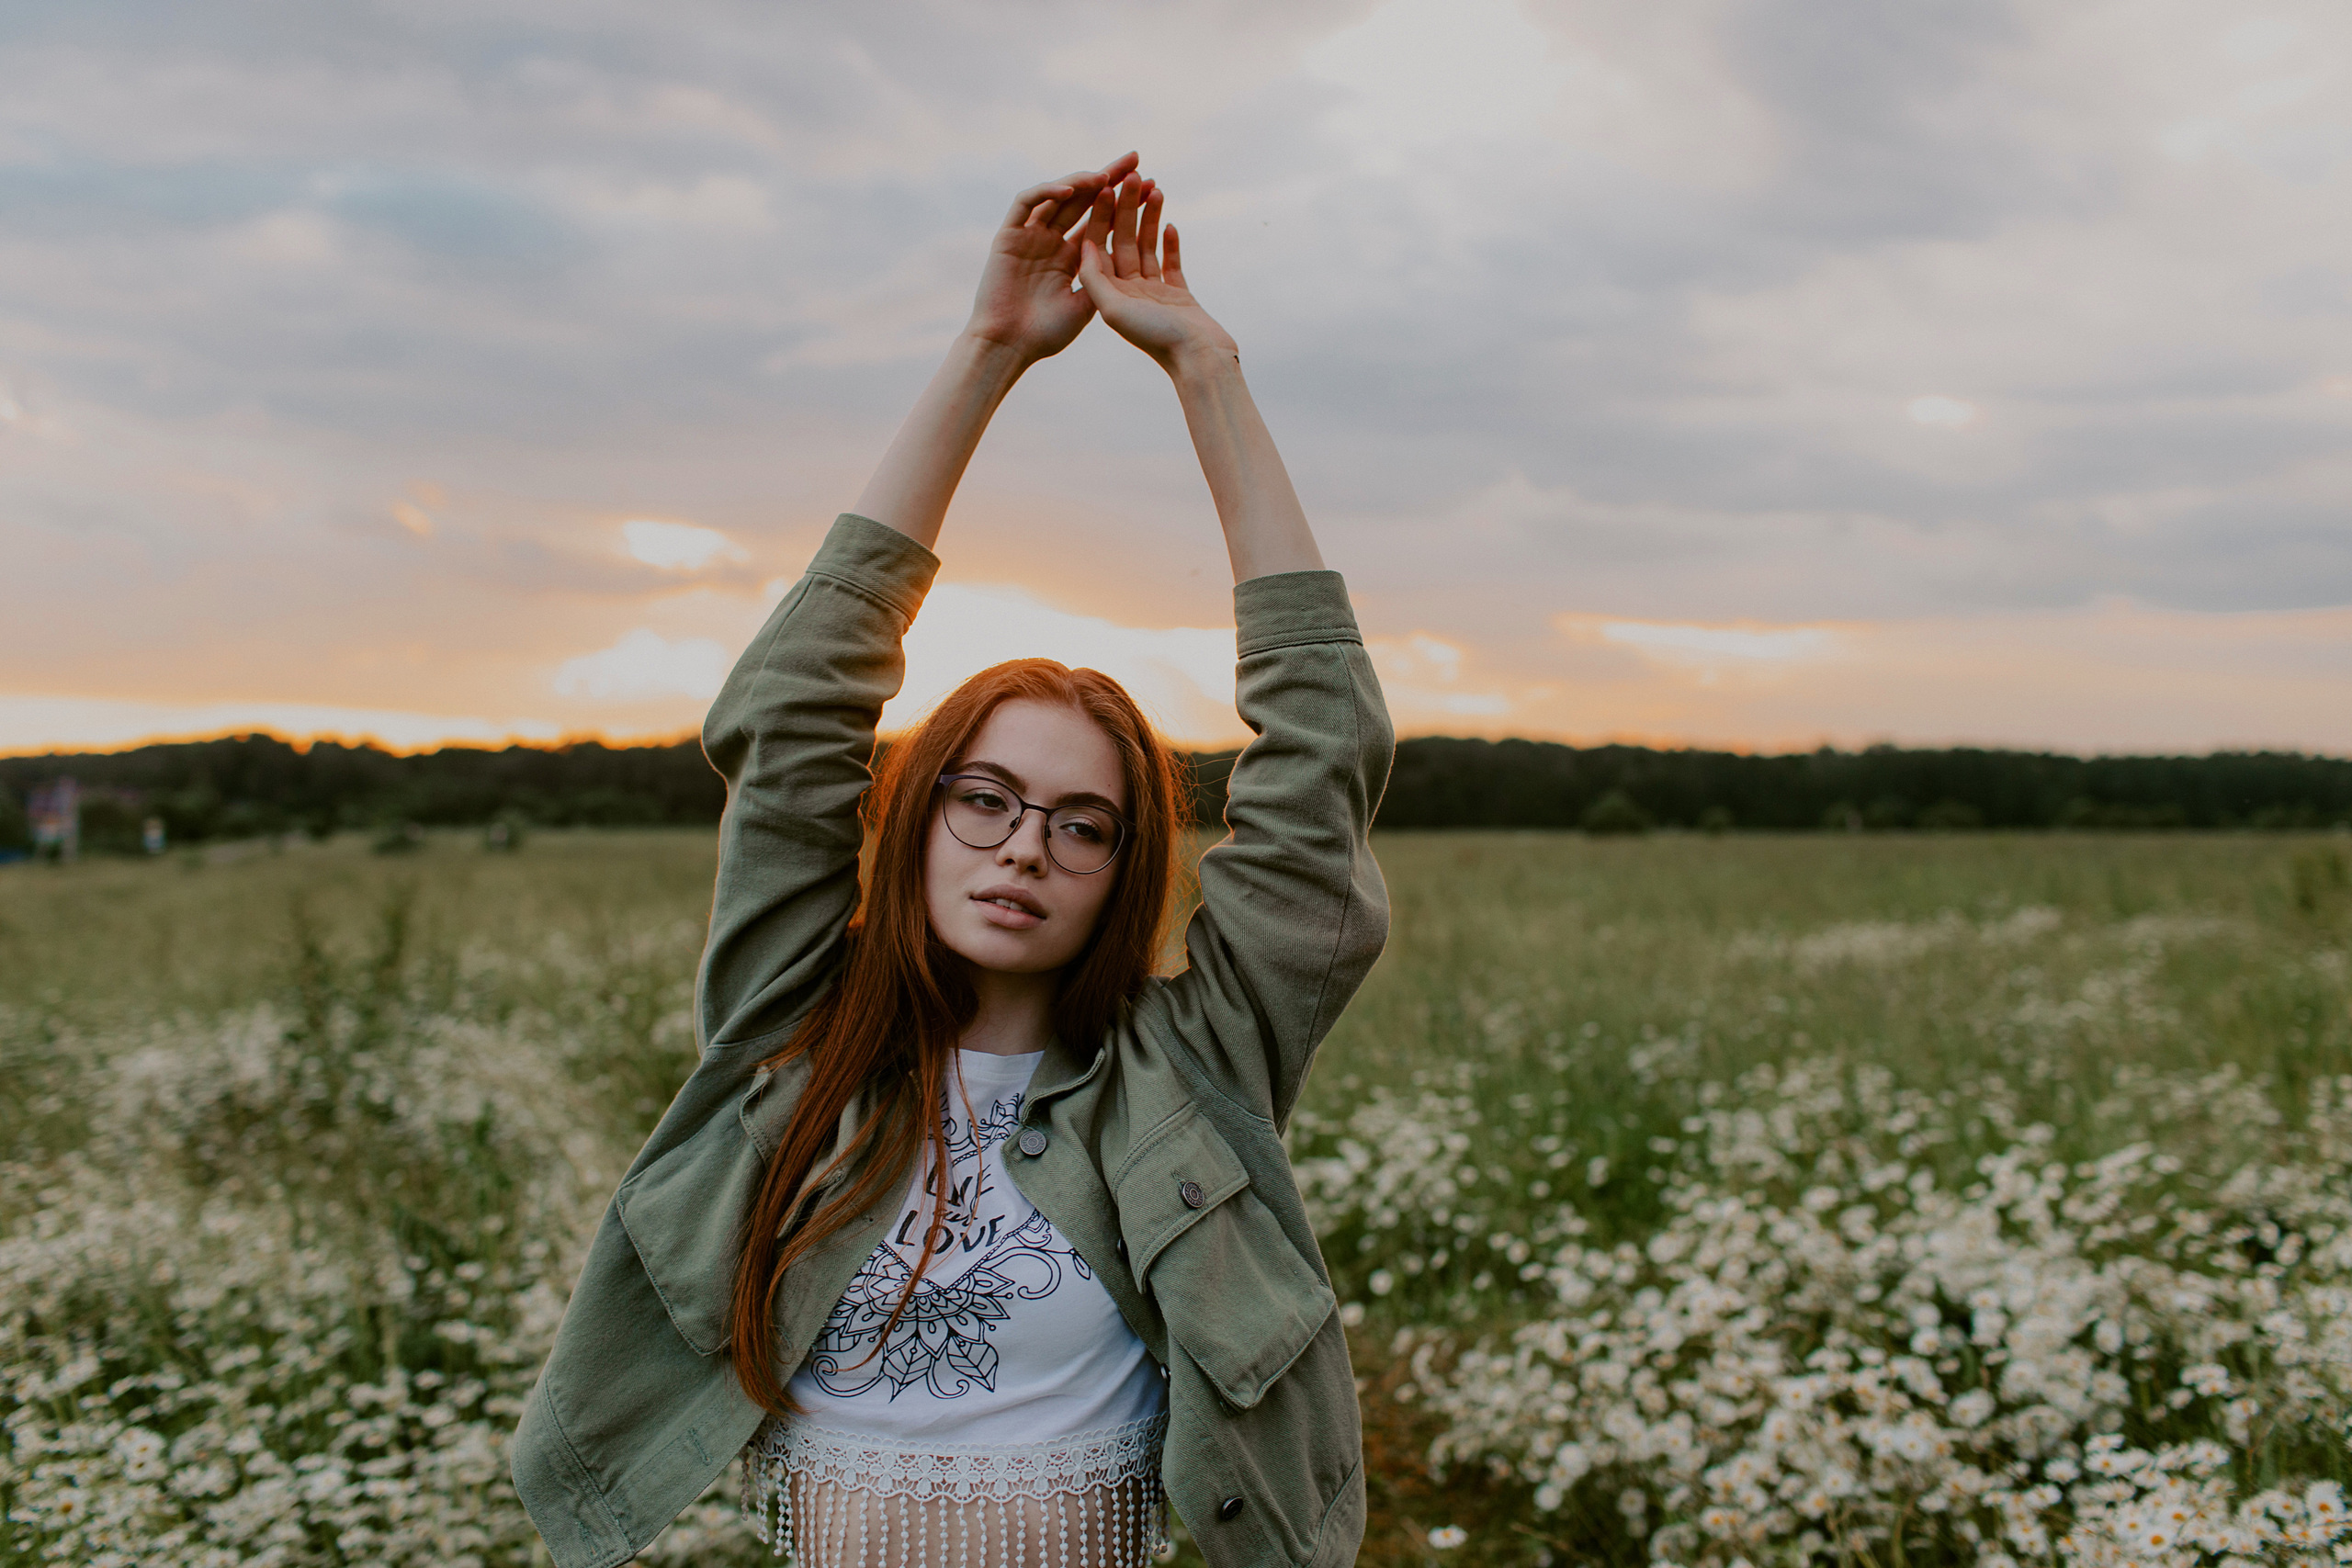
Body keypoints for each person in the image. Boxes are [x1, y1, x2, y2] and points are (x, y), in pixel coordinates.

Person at [511, 152, 1394, 1568]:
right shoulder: (789, 1033)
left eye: (1082, 823)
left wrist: (1205, 369)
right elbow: (791, 715)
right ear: (915, 817)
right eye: (982, 798)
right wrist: (989, 350)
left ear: (1123, 868)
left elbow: (1320, 766)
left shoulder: (1199, 1068)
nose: (1023, 848)